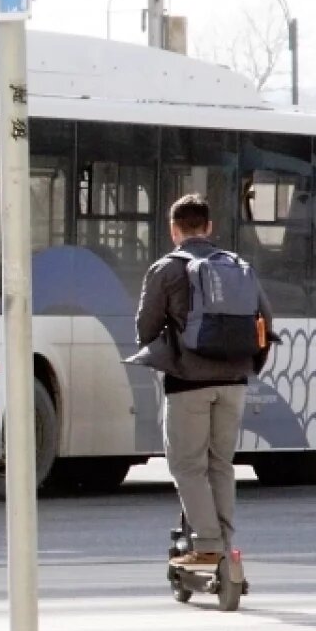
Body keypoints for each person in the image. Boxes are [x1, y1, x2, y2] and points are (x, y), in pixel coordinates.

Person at [132, 194, 274, 567]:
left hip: (188, 382)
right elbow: (265, 320)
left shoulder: (166, 269)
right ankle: (225, 546)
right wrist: (247, 367)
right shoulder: (239, 267)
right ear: (209, 228)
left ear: (174, 229)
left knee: (187, 465)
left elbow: (145, 328)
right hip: (235, 380)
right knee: (221, 464)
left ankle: (207, 545)